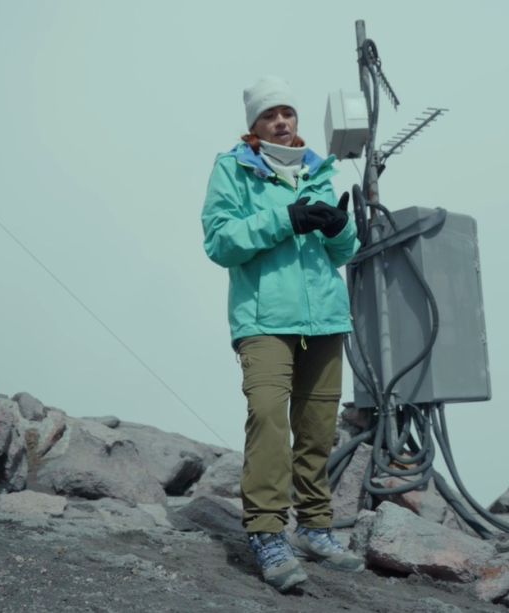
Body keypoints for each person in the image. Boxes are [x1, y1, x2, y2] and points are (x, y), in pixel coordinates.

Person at [200, 75, 364, 592]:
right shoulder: (233, 168)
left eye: (288, 113)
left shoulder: (319, 169)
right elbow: (219, 241)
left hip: (326, 320)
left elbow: (345, 252)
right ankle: (268, 533)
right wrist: (283, 219)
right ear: (254, 124)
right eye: (271, 115)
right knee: (269, 418)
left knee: (318, 427)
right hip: (264, 320)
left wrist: (339, 228)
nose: (282, 121)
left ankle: (315, 527)